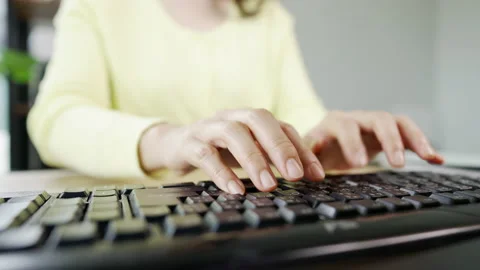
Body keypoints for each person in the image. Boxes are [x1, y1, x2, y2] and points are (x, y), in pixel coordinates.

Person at [27, 0, 444, 195]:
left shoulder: (269, 17)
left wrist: (320, 144)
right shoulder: (97, 7)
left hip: (254, 220)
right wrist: (169, 140)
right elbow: (56, 118)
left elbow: (301, 115)